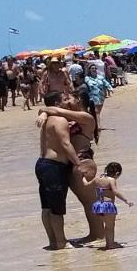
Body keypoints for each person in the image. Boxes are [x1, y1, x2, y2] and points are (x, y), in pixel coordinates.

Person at [38, 95, 102, 243]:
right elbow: (52, 110)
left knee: (90, 200)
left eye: (70, 98)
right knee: (85, 200)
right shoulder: (69, 119)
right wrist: (44, 112)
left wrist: (45, 111)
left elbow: (55, 110)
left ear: (79, 101)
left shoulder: (86, 116)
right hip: (71, 163)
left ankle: (98, 234)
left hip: (83, 161)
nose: (67, 101)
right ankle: (95, 234)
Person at [35, 92, 81, 250]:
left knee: (46, 207)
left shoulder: (47, 117)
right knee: (57, 208)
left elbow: (43, 110)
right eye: (64, 100)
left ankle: (53, 241)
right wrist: (78, 164)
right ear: (56, 103)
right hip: (54, 166)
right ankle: (61, 242)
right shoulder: (60, 120)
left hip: (42, 163)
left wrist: (44, 111)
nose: (67, 102)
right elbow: (65, 144)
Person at [83, 162, 133, 250]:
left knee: (107, 225)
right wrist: (126, 200)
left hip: (98, 206)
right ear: (117, 173)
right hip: (108, 206)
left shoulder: (97, 178)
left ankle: (108, 243)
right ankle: (111, 244)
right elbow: (115, 192)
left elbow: (86, 184)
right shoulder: (111, 180)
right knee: (110, 226)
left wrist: (83, 176)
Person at [83, 63, 114, 132]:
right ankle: (98, 126)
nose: (94, 70)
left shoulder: (100, 77)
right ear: (89, 70)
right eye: (92, 68)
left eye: (95, 68)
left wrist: (110, 89)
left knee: (98, 112)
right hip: (92, 97)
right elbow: (85, 86)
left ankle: (95, 124)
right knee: (96, 111)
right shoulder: (87, 78)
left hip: (101, 97)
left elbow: (106, 83)